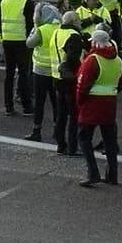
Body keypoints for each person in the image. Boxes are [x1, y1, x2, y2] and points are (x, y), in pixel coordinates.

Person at [76, 29, 122, 187]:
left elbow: (82, 85)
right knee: (110, 141)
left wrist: (80, 102)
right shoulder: (118, 60)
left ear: (95, 42)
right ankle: (112, 175)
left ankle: (93, 173)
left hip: (91, 104)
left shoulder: (92, 60)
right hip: (109, 104)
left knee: (84, 139)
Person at [23, 4, 62, 142]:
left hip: (40, 71)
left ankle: (37, 130)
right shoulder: (59, 29)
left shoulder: (41, 30)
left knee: (39, 103)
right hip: (56, 71)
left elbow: (29, 43)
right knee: (56, 102)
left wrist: (34, 27)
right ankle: (58, 130)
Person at [0, 0, 36, 116]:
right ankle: (27, 106)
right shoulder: (27, 2)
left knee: (9, 75)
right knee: (23, 74)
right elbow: (30, 24)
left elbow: (0, 20)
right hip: (22, 42)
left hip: (7, 40)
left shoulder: (4, 1)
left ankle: (8, 106)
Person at [52, 12, 85, 156]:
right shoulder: (74, 35)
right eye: (78, 20)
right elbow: (73, 57)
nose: (80, 22)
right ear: (73, 21)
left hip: (56, 77)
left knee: (61, 114)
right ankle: (72, 146)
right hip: (70, 78)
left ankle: (60, 144)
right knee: (74, 115)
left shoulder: (56, 32)